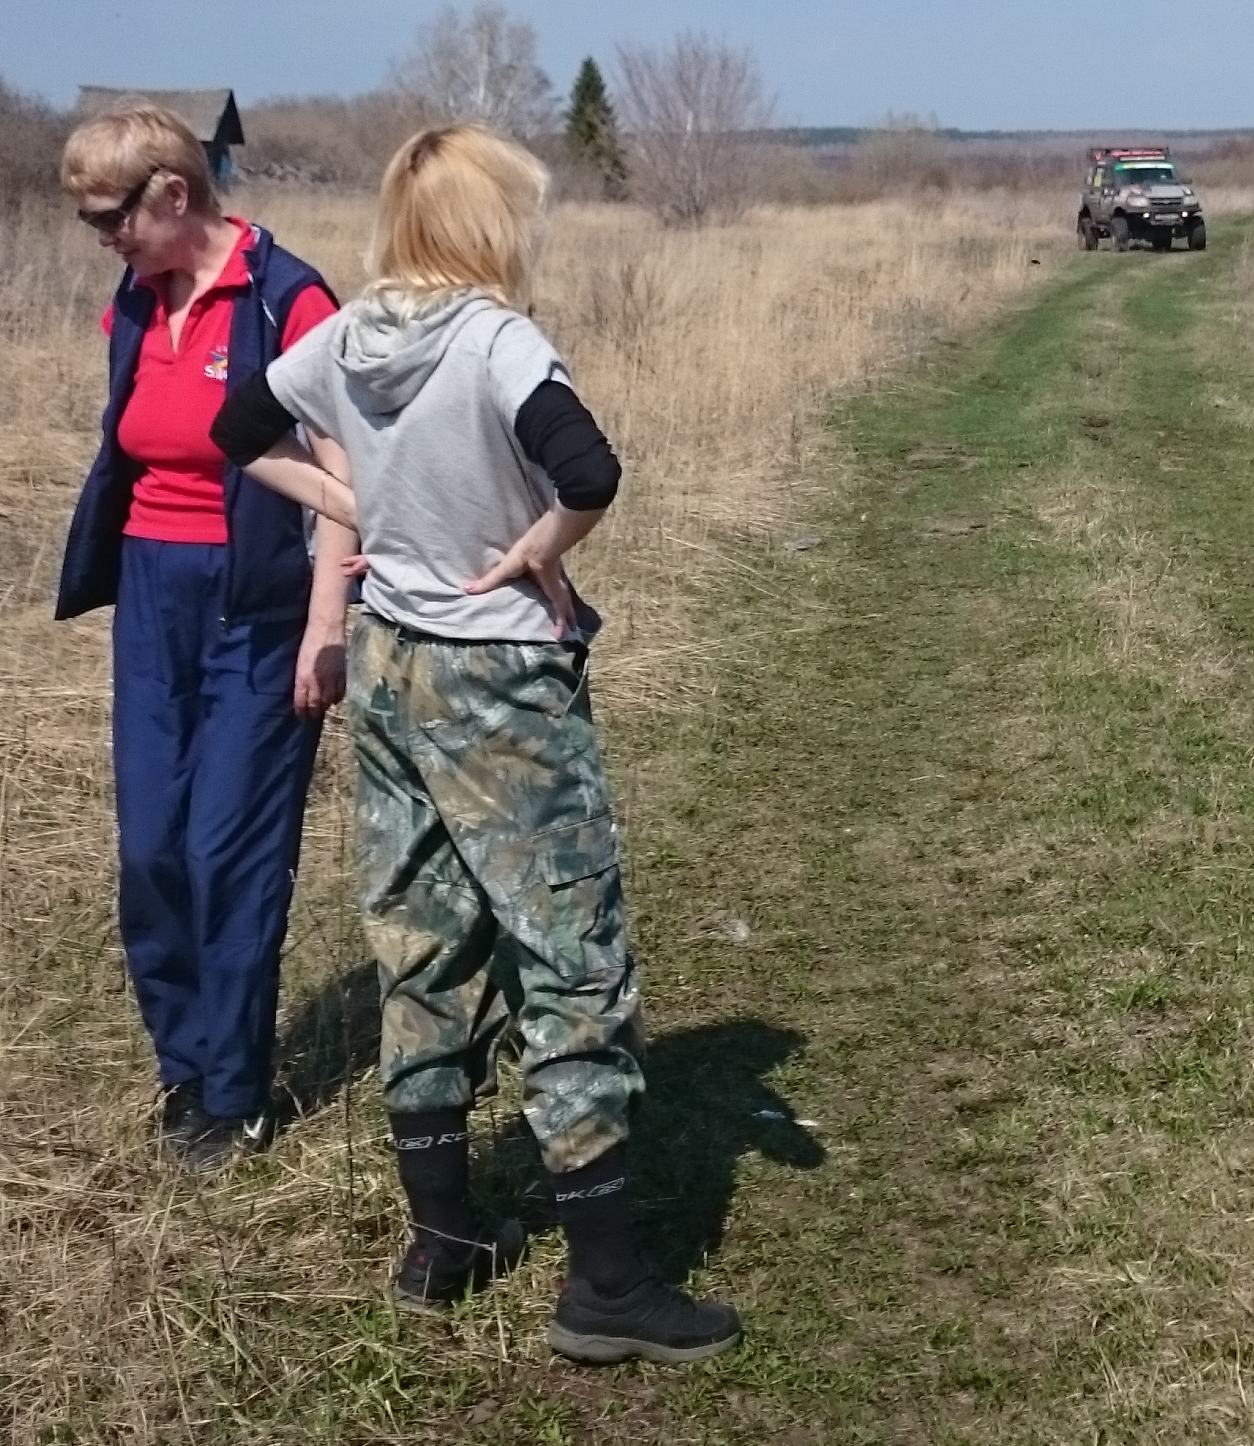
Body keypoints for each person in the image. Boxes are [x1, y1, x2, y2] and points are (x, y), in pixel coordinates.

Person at [209, 123, 741, 1367]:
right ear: (489, 222)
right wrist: (538, 548)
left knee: (421, 937)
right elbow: (590, 472)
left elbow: (237, 431)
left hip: (390, 664)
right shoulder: (497, 339)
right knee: (569, 953)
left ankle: (442, 1239)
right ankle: (607, 1285)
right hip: (499, 677)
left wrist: (358, 504)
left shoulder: (345, 336)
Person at [51, 103, 350, 1173]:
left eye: (112, 217)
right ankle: (182, 1066)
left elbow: (346, 473)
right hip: (153, 596)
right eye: (91, 221)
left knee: (229, 849)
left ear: (173, 192)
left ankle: (235, 1093)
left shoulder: (289, 299)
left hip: (259, 604)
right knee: (151, 850)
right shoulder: (136, 300)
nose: (104, 239)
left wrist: (326, 625)